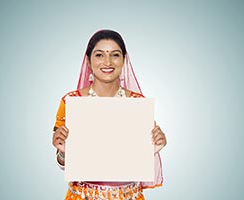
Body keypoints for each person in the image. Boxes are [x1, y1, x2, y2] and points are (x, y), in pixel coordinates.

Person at [52, 29, 167, 200]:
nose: (107, 62)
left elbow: (131, 157)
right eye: (99, 55)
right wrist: (62, 152)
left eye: (115, 55)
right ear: (89, 61)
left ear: (123, 60)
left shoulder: (137, 103)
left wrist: (154, 147)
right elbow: (64, 163)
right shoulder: (71, 101)